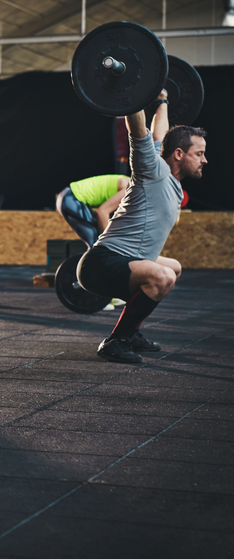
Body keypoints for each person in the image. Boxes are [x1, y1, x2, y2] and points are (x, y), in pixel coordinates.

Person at [77, 91, 207, 363]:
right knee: (162, 277)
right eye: (200, 153)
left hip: (124, 261)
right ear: (180, 154)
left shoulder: (169, 181)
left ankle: (131, 332)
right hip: (100, 264)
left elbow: (159, 135)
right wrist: (131, 93)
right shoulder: (152, 171)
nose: (204, 160)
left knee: (173, 268)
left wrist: (161, 101)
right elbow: (139, 131)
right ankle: (116, 341)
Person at [56, 174, 129, 249]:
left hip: (68, 197)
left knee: (99, 241)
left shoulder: (133, 186)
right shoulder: (130, 189)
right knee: (97, 243)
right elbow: (102, 212)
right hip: (71, 198)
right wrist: (111, 242)